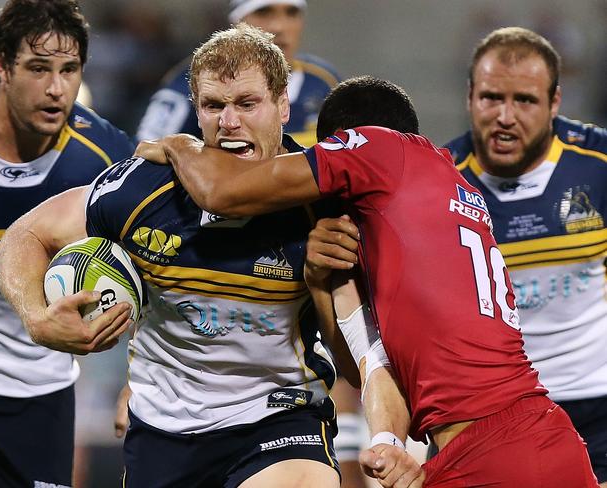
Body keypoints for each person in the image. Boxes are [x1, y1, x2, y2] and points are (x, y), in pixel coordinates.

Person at [134, 75, 599, 487]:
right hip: (518, 439)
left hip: (494, 449)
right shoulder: (443, 196)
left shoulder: (378, 148)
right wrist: (321, 284)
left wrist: (181, 146)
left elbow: (222, 192)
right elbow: (366, 363)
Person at [0, 24, 359, 488]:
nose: (230, 122)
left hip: (280, 423)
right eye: (214, 106)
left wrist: (321, 283)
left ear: (283, 105)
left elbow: (352, 367)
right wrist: (38, 319)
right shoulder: (141, 191)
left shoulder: (322, 207)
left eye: (247, 104)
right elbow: (25, 233)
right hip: (163, 436)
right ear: (196, 111)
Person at [0, 0, 134, 487]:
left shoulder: (106, 159)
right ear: (0, 67)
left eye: (69, 69)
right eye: (38, 68)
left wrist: (135, 383)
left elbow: (160, 268)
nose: (57, 89)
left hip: (42, 392)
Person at [444, 26, 607, 487]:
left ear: (555, 102)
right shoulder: (436, 181)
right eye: (492, 98)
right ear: (470, 96)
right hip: (493, 412)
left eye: (526, 101)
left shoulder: (599, 164)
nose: (506, 117)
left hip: (598, 402)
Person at [136, 0, 340, 148]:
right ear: (236, 22)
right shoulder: (194, 81)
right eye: (263, 12)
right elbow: (144, 154)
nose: (279, 26)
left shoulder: (325, 81)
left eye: (291, 13)